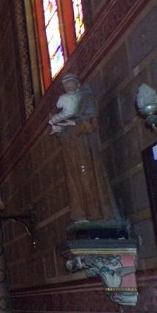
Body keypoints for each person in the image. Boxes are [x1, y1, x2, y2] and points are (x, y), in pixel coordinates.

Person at [48, 73, 119, 223]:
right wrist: (60, 129)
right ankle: (81, 215)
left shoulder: (86, 100)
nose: (68, 86)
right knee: (74, 180)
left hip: (85, 148)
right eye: (65, 84)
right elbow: (61, 127)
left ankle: (96, 214)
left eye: (70, 82)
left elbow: (90, 123)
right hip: (71, 147)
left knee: (89, 177)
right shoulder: (65, 101)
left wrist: (72, 124)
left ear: (77, 84)